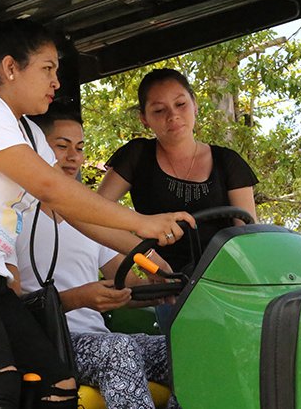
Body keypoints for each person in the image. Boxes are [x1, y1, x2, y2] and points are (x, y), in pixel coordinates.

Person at [0, 20, 194, 409]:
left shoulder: (28, 133)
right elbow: (51, 188)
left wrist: (153, 260)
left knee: (56, 384)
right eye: (47, 68)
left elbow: (76, 214)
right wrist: (143, 221)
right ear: (11, 68)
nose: (56, 81)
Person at [11, 111, 179, 409]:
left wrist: (160, 290)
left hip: (100, 341)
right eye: (61, 146)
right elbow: (12, 309)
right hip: (52, 344)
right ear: (36, 147)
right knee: (118, 348)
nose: (72, 156)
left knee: (185, 351)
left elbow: (128, 289)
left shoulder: (92, 222)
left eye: (79, 147)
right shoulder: (15, 217)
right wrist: (79, 298)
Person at [97, 68, 259, 275]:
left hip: (228, 283)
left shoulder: (228, 162)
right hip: (169, 288)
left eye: (180, 104)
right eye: (158, 110)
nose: (173, 115)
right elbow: (95, 215)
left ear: (195, 105)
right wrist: (149, 261)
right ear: (144, 119)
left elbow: (248, 238)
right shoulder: (136, 155)